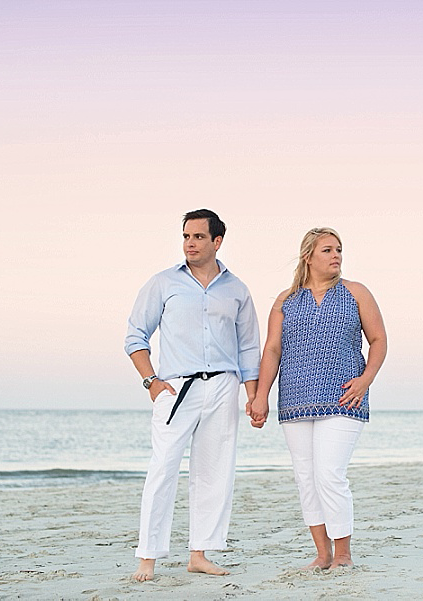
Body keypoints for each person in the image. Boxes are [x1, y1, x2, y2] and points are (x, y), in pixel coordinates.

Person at [124, 209, 260, 581]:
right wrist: (150, 381)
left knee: (214, 471)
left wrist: (253, 395)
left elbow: (249, 348)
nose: (190, 243)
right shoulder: (163, 283)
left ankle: (199, 553)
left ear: (217, 242)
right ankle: (147, 557)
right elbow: (136, 335)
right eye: (186, 236)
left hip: (222, 386)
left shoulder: (237, 290)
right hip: (176, 387)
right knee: (163, 468)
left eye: (199, 237)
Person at [248, 227, 387, 569]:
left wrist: (365, 380)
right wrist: (260, 397)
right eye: (327, 250)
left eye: (338, 249)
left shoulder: (356, 293)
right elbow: (272, 349)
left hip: (344, 399)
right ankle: (322, 555)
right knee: (306, 479)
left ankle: (343, 554)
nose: (336, 255)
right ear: (308, 256)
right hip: (295, 401)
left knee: (329, 474)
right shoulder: (286, 300)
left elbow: (379, 340)